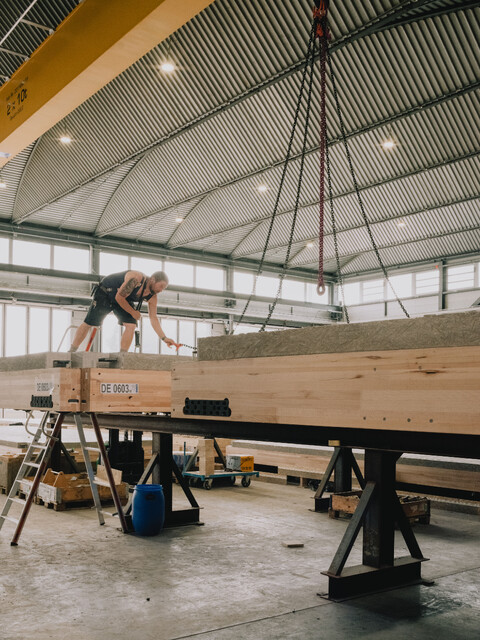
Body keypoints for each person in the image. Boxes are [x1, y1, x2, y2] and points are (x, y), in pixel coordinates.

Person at [70, 270, 176, 352]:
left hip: (123, 299)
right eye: (161, 286)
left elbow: (153, 318)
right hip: (106, 292)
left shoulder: (152, 297)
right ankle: (72, 350)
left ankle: (122, 355)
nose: (161, 290)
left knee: (131, 325)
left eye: (164, 288)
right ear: (153, 279)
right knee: (90, 322)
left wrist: (164, 338)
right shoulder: (136, 278)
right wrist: (133, 312)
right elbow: (119, 297)